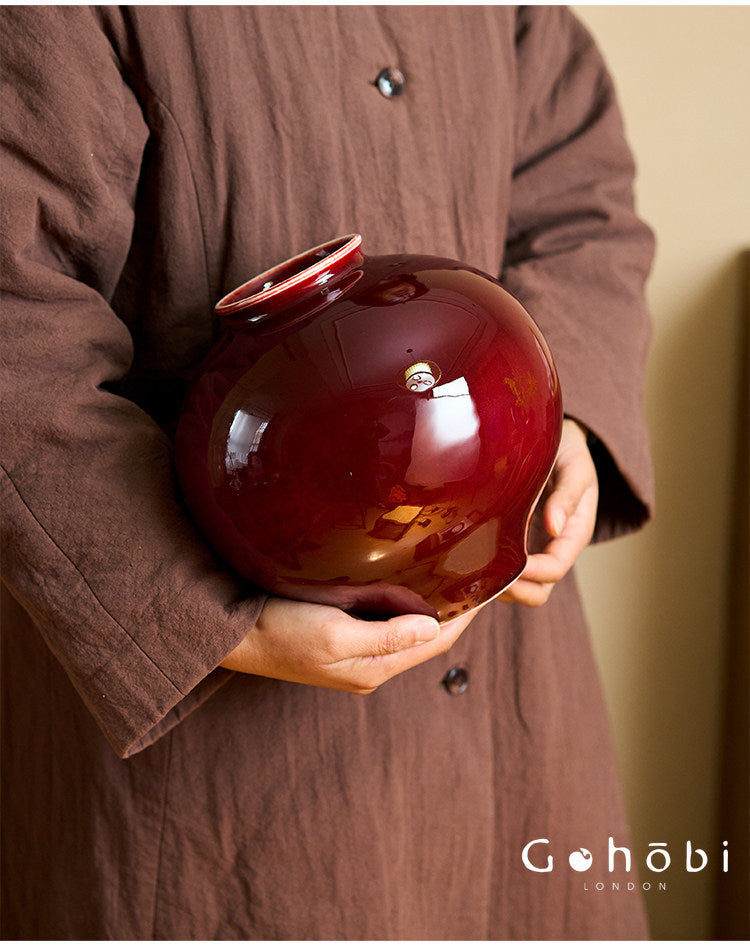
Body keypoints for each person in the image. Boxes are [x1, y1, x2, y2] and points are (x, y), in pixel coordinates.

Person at [0, 6, 655, 939]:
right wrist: (200, 616)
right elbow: (14, 317)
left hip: (514, 695)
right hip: (215, 761)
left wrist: (565, 415)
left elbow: (580, 198)